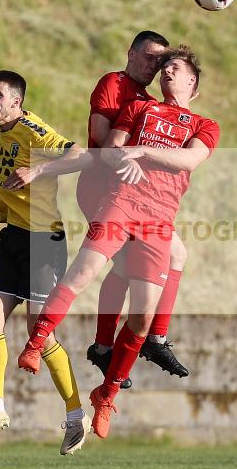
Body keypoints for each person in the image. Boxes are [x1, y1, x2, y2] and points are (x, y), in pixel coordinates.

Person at [17, 46, 220, 439]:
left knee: (142, 315)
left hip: (160, 218)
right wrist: (120, 158)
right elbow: (110, 148)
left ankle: (106, 394)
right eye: (163, 69)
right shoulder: (140, 108)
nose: (165, 74)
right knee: (84, 271)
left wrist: (143, 150)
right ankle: (36, 342)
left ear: (192, 82)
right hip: (122, 203)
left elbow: (190, 161)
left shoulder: (204, 124)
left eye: (173, 69)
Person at [0, 70, 91, 456]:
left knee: (39, 330)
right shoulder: (6, 133)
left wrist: (38, 169)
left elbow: (80, 154)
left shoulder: (33, 128)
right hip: (15, 237)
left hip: (44, 240)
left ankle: (75, 416)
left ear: (16, 102)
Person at [80, 31, 191, 386]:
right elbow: (100, 137)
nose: (153, 65)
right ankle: (119, 344)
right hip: (102, 185)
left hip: (132, 194)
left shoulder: (147, 101)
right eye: (148, 56)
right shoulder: (115, 82)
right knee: (139, 263)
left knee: (175, 255)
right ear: (130, 53)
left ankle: (142, 340)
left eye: (160, 61)